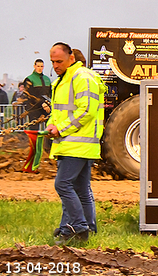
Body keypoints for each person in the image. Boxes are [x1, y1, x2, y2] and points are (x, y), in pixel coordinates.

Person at [45, 42, 106, 244]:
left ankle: (78, 228)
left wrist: (60, 128)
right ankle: (84, 227)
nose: (55, 66)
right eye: (52, 62)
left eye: (59, 61)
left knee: (62, 184)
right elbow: (58, 112)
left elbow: (86, 111)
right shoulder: (63, 81)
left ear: (72, 58)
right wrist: (51, 125)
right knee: (80, 187)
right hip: (71, 143)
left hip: (77, 144)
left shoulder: (81, 78)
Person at [20, 59, 52, 173]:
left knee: (51, 130)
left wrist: (49, 104)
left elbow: (50, 94)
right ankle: (32, 161)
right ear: (34, 66)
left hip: (46, 108)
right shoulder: (29, 79)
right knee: (34, 133)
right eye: (38, 66)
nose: (40, 68)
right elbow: (29, 95)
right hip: (34, 109)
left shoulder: (47, 79)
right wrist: (42, 103)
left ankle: (50, 155)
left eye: (42, 66)